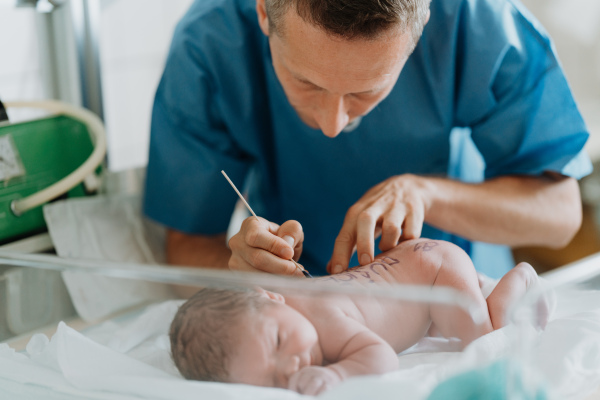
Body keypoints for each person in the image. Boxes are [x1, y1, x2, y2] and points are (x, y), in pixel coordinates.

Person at [144, 0, 591, 290]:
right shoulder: (210, 47)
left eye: (365, 92)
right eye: (306, 83)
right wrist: (238, 272)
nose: (332, 124)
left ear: (423, 30)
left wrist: (427, 194)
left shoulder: (476, 25)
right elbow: (186, 242)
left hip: (464, 295)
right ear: (263, 11)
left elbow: (559, 213)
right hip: (301, 312)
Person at [169, 238, 547, 395]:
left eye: (280, 342)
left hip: (434, 272)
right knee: (442, 319)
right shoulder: (288, 309)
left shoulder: (322, 317)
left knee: (486, 337)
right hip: (413, 271)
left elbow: (380, 356)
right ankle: (477, 284)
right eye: (272, 378)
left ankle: (520, 279)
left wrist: (336, 373)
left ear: (270, 296)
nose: (294, 364)